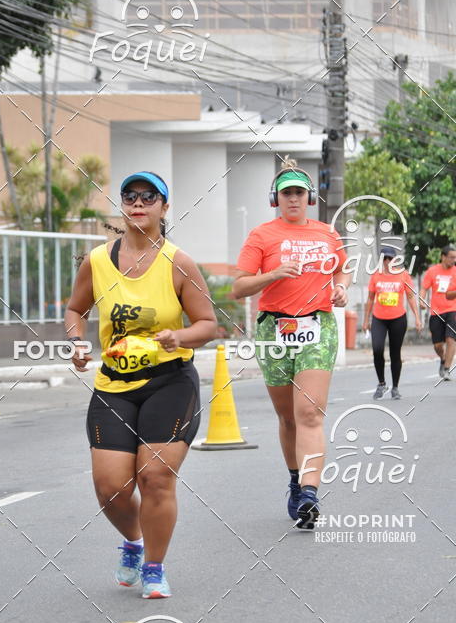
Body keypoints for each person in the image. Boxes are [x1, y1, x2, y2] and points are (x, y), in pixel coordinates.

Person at [65, 171, 218, 598]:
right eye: (130, 196)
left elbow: (208, 324)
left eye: (149, 197)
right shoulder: (96, 261)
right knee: (111, 487)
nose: (138, 203)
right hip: (114, 385)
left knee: (154, 477)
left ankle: (154, 565)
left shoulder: (179, 263)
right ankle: (134, 541)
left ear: (164, 208)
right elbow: (76, 309)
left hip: (169, 383)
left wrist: (179, 336)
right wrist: (77, 342)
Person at [232, 162, 350, 529]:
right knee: (287, 417)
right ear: (276, 199)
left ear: (310, 197)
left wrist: (342, 286)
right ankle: (296, 479)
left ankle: (311, 493)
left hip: (317, 326)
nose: (294, 199)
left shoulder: (327, 233)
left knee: (309, 413)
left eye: (300, 192)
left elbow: (341, 268)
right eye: (287, 193)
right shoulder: (261, 236)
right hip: (274, 330)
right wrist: (273, 274)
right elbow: (239, 287)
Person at [362, 246, 422, 400]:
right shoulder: (376, 276)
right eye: (385, 259)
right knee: (377, 349)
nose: (388, 261)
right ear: (381, 260)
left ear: (395, 260)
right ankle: (381, 383)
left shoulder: (403, 275)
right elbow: (369, 299)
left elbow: (409, 297)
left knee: (395, 353)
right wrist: (365, 320)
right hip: (379, 318)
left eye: (390, 258)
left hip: (398, 318)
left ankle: (395, 387)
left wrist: (417, 317)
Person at [420, 246, 456, 380]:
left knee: (451, 339)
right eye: (452, 257)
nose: (454, 260)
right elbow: (424, 288)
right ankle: (442, 359)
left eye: (455, 257)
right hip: (436, 312)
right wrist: (422, 300)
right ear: (443, 257)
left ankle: (447, 369)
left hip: (453, 310)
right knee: (438, 345)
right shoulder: (432, 271)